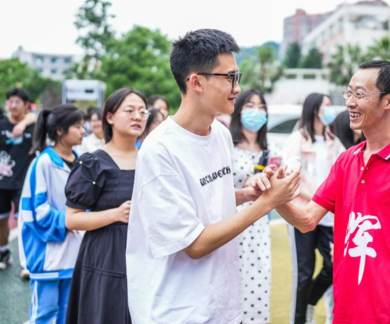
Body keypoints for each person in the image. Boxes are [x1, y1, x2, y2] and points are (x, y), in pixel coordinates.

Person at [258, 60, 390, 323]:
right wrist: (276, 198)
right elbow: (307, 221)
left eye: (360, 94)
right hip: (346, 312)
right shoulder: (346, 161)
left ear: (389, 101)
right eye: (349, 93)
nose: (350, 102)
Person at [125, 29, 300, 324]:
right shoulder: (160, 150)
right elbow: (194, 244)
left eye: (237, 76)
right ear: (196, 82)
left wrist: (248, 194)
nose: (236, 87)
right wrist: (267, 204)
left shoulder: (219, 133)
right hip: (177, 311)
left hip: (223, 306)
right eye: (228, 77)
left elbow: (205, 200)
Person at [64, 88, 149, 323]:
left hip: (146, 254)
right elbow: (72, 219)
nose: (138, 116)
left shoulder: (151, 159)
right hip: (105, 257)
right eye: (129, 111)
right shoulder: (93, 162)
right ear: (109, 117)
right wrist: (115, 214)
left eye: (143, 111)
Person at [282, 93, 345, 324]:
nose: (330, 110)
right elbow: (291, 177)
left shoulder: (333, 141)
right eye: (326, 105)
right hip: (303, 214)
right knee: (304, 273)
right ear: (314, 109)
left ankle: (310, 301)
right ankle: (300, 319)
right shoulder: (297, 140)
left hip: (329, 217)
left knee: (332, 266)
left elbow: (342, 176)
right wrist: (321, 198)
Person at [19, 104, 86, 324]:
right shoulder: (43, 163)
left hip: (72, 252)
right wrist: (72, 221)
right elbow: (37, 212)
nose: (83, 130)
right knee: (45, 314)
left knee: (68, 313)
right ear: (60, 130)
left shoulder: (81, 160)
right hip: (47, 254)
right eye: (77, 126)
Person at [229, 89, 272, 324]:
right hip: (231, 221)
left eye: (261, 106)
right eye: (250, 105)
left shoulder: (269, 150)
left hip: (259, 225)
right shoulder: (227, 146)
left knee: (258, 280)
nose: (256, 111)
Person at [0, 88, 37, 270]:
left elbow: (39, 118)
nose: (13, 105)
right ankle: (4, 253)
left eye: (17, 102)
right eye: (10, 101)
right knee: (0, 219)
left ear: (25, 105)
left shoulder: (33, 126)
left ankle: (28, 260)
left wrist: (24, 123)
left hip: (23, 182)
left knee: (25, 220)